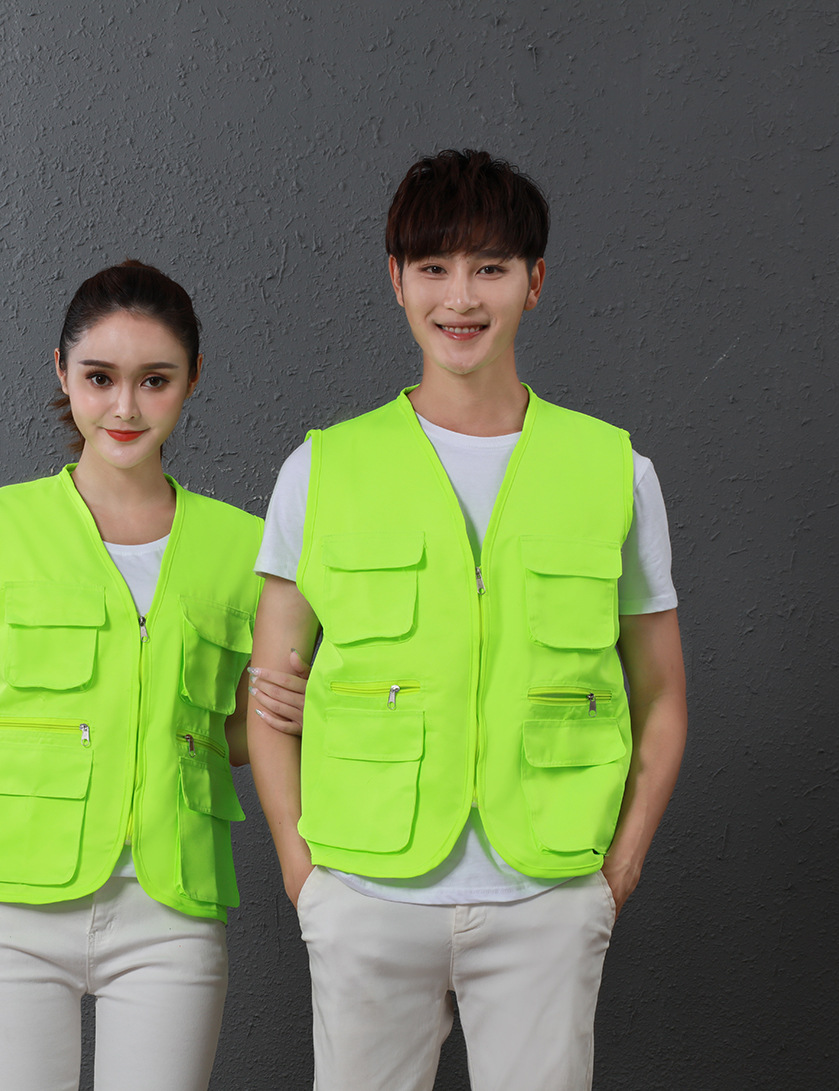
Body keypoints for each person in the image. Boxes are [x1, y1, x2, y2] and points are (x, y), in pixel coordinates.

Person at [245, 150, 689, 1091]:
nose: (461, 297)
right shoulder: (321, 469)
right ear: (396, 279)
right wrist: (302, 872)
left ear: (535, 281)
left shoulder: (616, 470)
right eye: (434, 267)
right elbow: (270, 695)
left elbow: (663, 696)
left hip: (548, 896)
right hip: (365, 894)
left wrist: (615, 874)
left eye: (490, 267)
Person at [0, 260, 281, 1091]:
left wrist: (278, 717)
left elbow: (241, 729)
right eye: (100, 377)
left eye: (154, 380)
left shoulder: (246, 546)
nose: (125, 407)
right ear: (62, 372)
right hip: (13, 909)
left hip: (171, 908)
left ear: (192, 379)